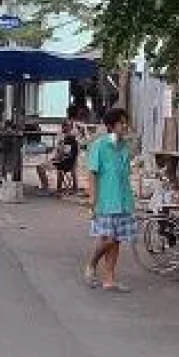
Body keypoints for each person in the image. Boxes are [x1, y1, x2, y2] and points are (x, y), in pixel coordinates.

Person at [84, 107, 137, 291]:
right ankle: (91, 264)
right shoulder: (100, 145)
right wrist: (92, 197)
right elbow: (92, 172)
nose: (125, 126)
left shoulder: (123, 147)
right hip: (106, 200)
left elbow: (125, 174)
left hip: (123, 199)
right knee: (108, 238)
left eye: (125, 122)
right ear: (111, 125)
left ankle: (110, 279)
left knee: (116, 240)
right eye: (121, 122)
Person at [36, 120, 80, 194]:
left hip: (63, 162)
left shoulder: (69, 139)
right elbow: (62, 152)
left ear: (70, 127)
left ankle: (46, 187)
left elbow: (64, 153)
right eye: (64, 125)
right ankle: (49, 187)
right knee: (40, 166)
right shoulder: (67, 137)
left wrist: (55, 158)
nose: (64, 127)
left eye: (66, 126)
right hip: (64, 161)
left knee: (40, 167)